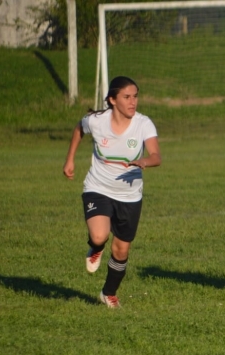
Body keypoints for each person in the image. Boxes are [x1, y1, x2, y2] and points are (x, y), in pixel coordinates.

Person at [63, 76, 161, 308]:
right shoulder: (97, 121)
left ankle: (108, 293)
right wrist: (70, 160)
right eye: (127, 97)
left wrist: (145, 161)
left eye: (135, 96)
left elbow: (157, 156)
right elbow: (79, 128)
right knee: (99, 236)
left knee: (121, 249)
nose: (133, 102)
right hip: (98, 187)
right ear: (112, 99)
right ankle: (96, 247)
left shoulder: (143, 123)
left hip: (130, 196)